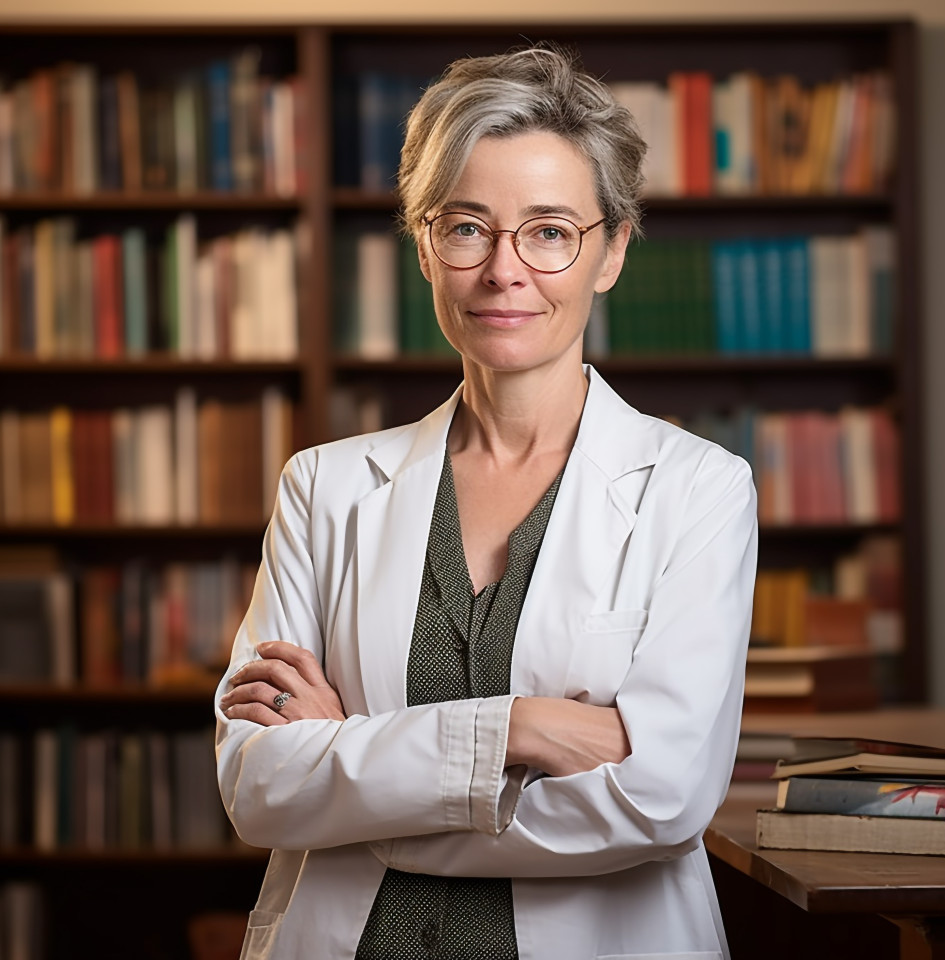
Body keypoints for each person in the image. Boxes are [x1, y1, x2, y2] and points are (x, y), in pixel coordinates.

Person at [215, 44, 757, 960]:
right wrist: (523, 729)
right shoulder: (325, 487)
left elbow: (661, 800)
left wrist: (357, 770)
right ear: (425, 245)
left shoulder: (700, 489)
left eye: (549, 230)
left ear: (612, 250)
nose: (506, 270)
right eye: (467, 226)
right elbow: (261, 788)